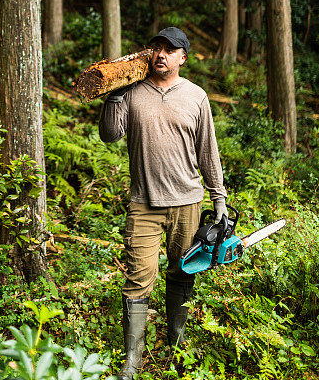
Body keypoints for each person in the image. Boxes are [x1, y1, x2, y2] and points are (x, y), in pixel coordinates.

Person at [99, 26, 228, 379]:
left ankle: (176, 341)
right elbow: (110, 135)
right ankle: (132, 361)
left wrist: (219, 200)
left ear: (182, 58)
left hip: (187, 202)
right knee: (138, 279)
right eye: (156, 47)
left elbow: (208, 152)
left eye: (170, 50)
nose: (161, 54)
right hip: (144, 204)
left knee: (183, 272)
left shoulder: (197, 97)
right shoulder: (132, 93)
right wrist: (113, 96)